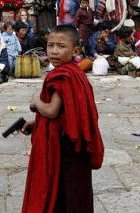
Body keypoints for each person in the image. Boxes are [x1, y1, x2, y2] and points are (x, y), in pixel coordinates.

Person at [20, 25, 104, 213]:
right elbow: (68, 113)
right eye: (50, 46)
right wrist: (36, 124)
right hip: (77, 146)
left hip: (65, 150)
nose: (54, 51)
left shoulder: (63, 76)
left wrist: (35, 104)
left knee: (63, 196)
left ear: (75, 50)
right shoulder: (76, 72)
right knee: (77, 195)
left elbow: (51, 111)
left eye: (61, 46)